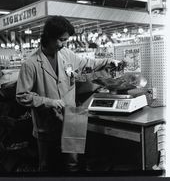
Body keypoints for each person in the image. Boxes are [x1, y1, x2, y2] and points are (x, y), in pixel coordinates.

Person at [16, 16, 120, 172]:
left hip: (71, 119)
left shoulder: (66, 54)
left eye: (66, 40)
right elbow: (22, 95)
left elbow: (86, 63)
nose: (64, 44)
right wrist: (49, 102)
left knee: (72, 165)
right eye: (61, 40)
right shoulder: (30, 64)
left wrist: (107, 61)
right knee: (47, 166)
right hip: (47, 125)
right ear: (49, 37)